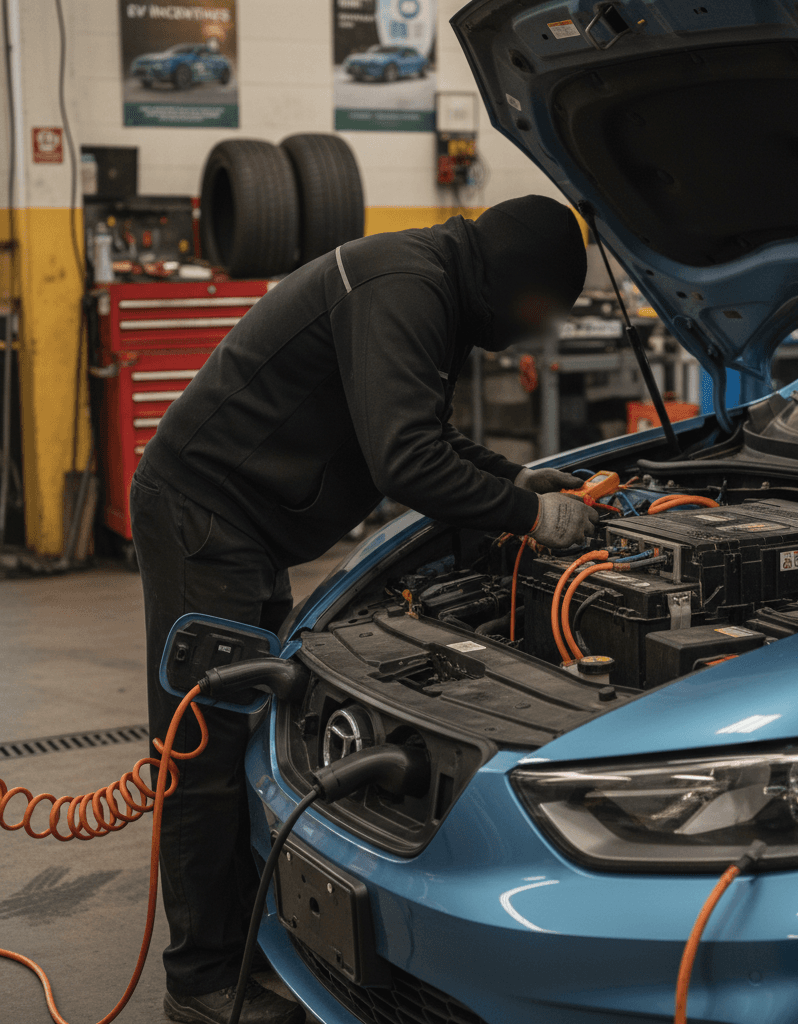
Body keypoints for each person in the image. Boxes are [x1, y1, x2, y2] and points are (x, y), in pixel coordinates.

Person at [130, 194, 596, 1024]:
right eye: (535, 311)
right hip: (207, 518)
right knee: (206, 750)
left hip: (248, 523)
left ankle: (247, 947)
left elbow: (425, 430)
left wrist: (512, 479)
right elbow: (405, 459)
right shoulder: (405, 284)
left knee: (252, 729)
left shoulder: (437, 281)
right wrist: (532, 519)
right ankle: (200, 983)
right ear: (515, 278)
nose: (529, 331)